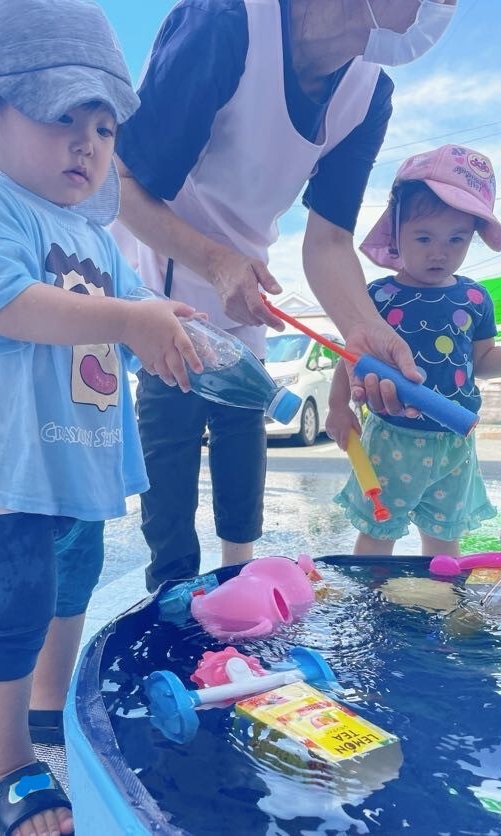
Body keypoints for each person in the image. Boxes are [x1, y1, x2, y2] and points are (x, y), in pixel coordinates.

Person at [0, 2, 203, 834]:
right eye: (62, 116)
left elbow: (130, 318)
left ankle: (48, 710)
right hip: (8, 469)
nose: (88, 142)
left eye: (104, 125)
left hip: (76, 460)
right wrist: (130, 322)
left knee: (69, 587)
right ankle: (1, 767)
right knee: (14, 605)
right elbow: (8, 305)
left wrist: (163, 328)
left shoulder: (97, 238)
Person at [113, 0, 458, 592]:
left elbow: (327, 242)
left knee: (241, 447)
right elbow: (123, 188)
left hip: (250, 291)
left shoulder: (369, 96)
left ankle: (238, 577)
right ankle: (169, 595)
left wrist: (363, 328)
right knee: (168, 455)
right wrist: (216, 262)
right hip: (164, 288)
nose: (440, 8)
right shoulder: (224, 23)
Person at [326, 144, 501, 557]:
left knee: (445, 538)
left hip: (454, 442)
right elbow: (352, 356)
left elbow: (481, 362)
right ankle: (371, 607)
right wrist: (338, 407)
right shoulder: (377, 296)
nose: (439, 251)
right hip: (390, 434)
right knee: (378, 531)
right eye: (424, 237)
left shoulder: (476, 299)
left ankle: (440, 602)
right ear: (395, 233)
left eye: (456, 239)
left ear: (473, 238)